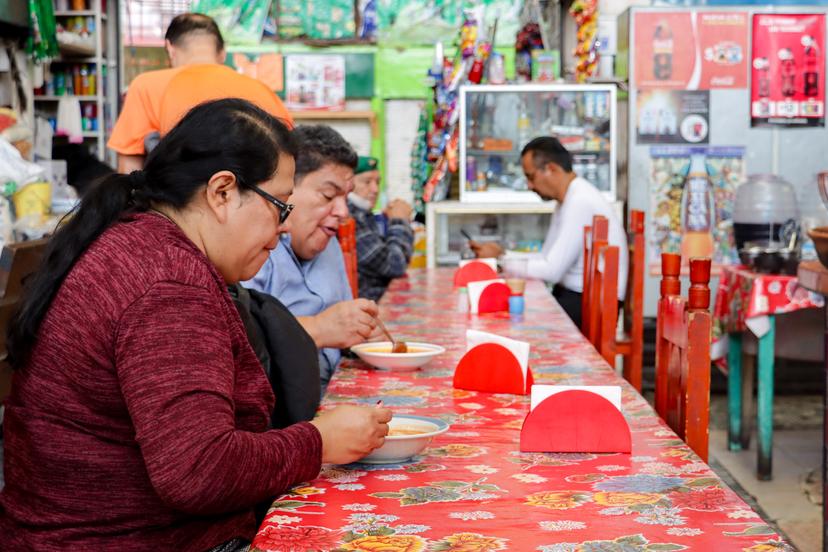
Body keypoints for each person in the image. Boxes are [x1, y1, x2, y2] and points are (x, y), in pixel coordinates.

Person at [0, 99, 391, 551]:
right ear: (222, 191)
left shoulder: (139, 242)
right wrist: (319, 441)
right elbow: (200, 471)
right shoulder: (168, 282)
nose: (283, 230)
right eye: (279, 206)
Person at [245, 126, 378, 395]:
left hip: (332, 392)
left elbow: (342, 328)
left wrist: (359, 327)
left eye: (346, 197)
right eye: (329, 196)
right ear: (286, 189)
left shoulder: (328, 244)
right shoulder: (253, 245)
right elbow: (237, 339)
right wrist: (318, 329)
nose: (342, 212)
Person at [471, 136, 628, 328]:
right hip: (577, 297)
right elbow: (546, 257)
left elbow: (551, 270)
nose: (529, 186)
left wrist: (502, 260)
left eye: (531, 177)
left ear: (551, 168)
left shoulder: (579, 201)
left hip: (589, 303)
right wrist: (502, 254)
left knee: (510, 321)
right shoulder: (568, 200)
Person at [107, 13, 292, 174]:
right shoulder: (262, 89)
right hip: (250, 205)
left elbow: (129, 168)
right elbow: (289, 159)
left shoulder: (147, 85)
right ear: (222, 53)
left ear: (170, 49)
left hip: (180, 207)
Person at [347, 156, 414, 301]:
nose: (375, 189)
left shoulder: (363, 213)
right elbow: (395, 265)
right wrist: (399, 221)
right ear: (348, 184)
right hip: (370, 305)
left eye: (377, 182)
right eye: (367, 182)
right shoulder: (351, 216)